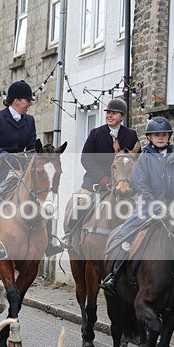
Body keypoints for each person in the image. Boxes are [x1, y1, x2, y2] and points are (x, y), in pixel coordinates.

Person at [99, 116, 174, 297]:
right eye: (156, 135)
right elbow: (140, 183)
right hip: (147, 206)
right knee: (126, 236)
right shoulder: (145, 157)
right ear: (150, 138)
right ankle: (114, 277)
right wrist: (155, 204)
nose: (160, 138)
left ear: (168, 137)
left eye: (163, 135)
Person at [0, 80, 63, 256]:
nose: (30, 104)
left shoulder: (29, 121)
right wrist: (0, 152)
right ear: (16, 101)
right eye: (27, 100)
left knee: (41, 197)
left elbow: (32, 148)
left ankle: (48, 243)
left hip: (23, 169)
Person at [60, 98, 139, 250]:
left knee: (140, 207)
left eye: (114, 113)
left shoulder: (131, 135)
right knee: (80, 203)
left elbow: (136, 161)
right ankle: (70, 236)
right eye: (108, 113)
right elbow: (86, 158)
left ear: (122, 117)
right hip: (95, 182)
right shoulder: (95, 133)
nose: (109, 115)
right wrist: (103, 178)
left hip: (123, 183)